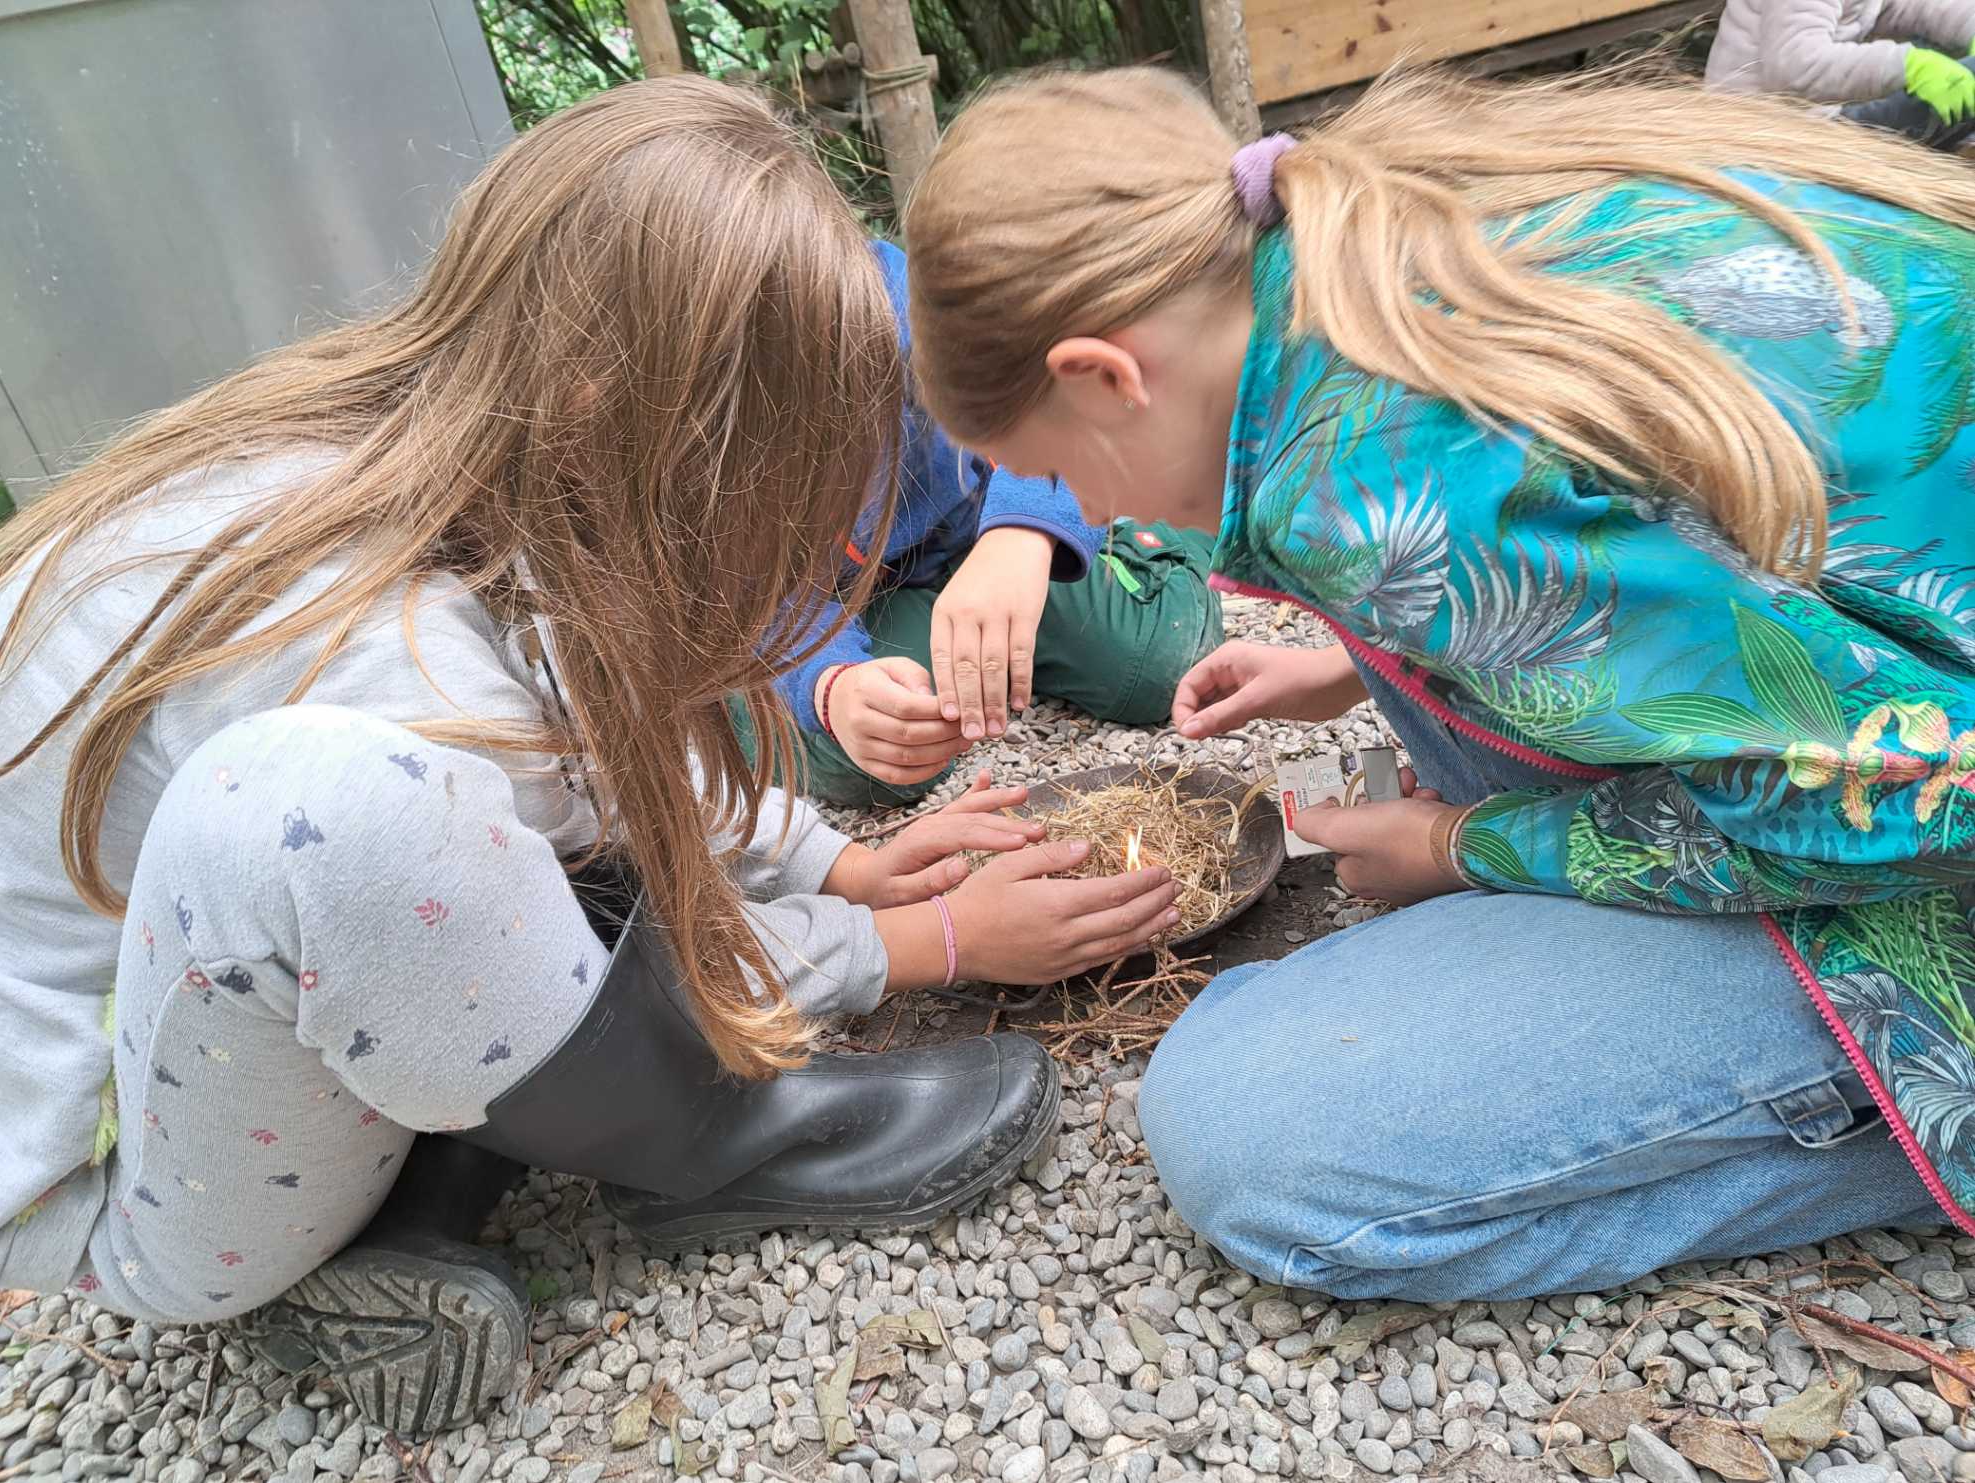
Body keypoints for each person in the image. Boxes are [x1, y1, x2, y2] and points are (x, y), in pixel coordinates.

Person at [0, 77, 1180, 1436]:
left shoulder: (452, 466)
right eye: (781, 497)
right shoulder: (393, 652)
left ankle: (449, 1172)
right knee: (339, 811)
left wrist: (847, 864)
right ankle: (710, 1138)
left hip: (256, 1038)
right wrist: (926, 944)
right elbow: (562, 914)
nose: (804, 554)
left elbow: (596, 754)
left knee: (471, 819)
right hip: (136, 1202)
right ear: (615, 411)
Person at [902, 63, 1975, 1298]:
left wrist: (1466, 845)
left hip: (1920, 834)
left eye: (1058, 474)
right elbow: (1678, 559)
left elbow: (1889, 801)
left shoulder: (1381, 484)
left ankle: (1906, 1125)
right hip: (1904, 680)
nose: (1091, 513)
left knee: (1254, 1138)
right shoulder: (1367, 233)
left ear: (1102, 376)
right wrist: (1355, 667)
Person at [750, 240, 1224, 810]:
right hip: (839, 602)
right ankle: (725, 712)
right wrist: (829, 686)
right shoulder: (680, 439)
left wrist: (1024, 531)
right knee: (884, 760)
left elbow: (1059, 402)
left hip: (981, 522)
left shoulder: (903, 305)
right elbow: (753, 601)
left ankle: (1167, 520)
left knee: (1157, 667)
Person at [1707, 0, 1975, 148]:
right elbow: (1796, 66)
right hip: (1772, 131)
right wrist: (1910, 65)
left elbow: (1912, 7)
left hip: (1813, 114)